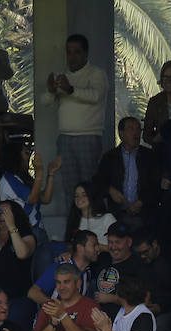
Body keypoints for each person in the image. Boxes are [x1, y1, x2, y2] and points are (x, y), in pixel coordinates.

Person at [45, 34, 107, 204]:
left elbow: (95, 96)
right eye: (69, 52)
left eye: (77, 52)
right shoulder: (63, 76)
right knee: (70, 188)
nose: (72, 57)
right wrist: (51, 90)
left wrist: (70, 89)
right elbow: (46, 102)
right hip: (65, 138)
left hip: (88, 137)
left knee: (89, 186)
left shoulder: (96, 74)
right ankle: (73, 229)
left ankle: (94, 226)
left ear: (86, 54)